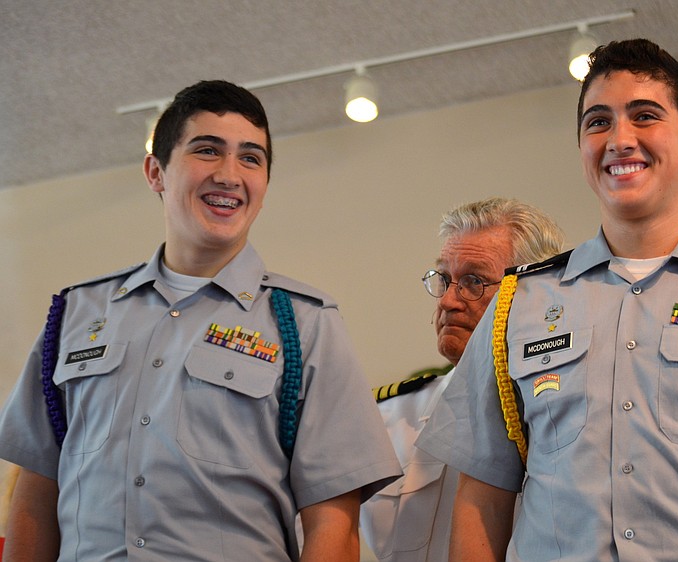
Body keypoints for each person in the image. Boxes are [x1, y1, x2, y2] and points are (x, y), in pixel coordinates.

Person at [417, 39, 678, 561]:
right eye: (598, 122)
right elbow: (482, 500)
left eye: (645, 116)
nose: (620, 139)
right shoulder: (518, 303)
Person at [0, 80, 401, 561]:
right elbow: (35, 493)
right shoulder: (76, 313)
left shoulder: (304, 323)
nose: (230, 175)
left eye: (251, 158)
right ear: (156, 172)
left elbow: (334, 524)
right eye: (208, 151)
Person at [360, 197, 566, 561]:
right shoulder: (386, 420)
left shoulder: (568, 420)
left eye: (474, 282)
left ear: (537, 293)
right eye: (444, 279)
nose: (448, 301)